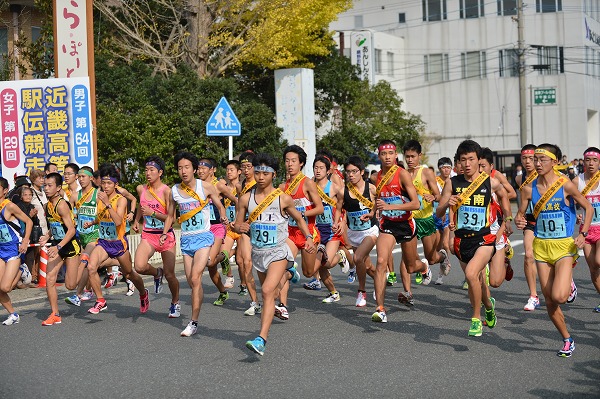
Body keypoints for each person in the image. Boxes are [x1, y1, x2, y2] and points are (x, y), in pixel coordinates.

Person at [516, 144, 592, 357]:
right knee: (549, 299)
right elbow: (521, 215)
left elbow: (588, 207)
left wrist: (583, 233)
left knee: (559, 296)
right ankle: (567, 339)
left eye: (543, 160)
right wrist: (519, 221)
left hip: (563, 246)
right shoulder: (528, 189)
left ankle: (568, 285)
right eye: (535, 159)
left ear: (555, 162)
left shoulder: (565, 185)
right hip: (541, 247)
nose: (538, 164)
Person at [235, 153, 315, 356]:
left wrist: (309, 238)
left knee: (268, 292)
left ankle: (261, 338)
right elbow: (237, 224)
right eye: (258, 172)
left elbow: (299, 218)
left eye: (265, 173)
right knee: (271, 291)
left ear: (274, 175)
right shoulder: (246, 199)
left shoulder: (283, 198)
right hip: (259, 253)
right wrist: (241, 226)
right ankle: (289, 273)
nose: (261, 177)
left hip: (278, 251)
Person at [437, 140, 511, 336]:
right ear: (459, 163)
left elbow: (505, 196)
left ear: (479, 160)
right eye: (463, 160)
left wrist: (508, 218)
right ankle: (488, 307)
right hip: (462, 241)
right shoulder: (452, 183)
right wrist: (447, 204)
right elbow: (438, 212)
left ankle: (476, 319)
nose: (467, 164)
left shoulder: (490, 182)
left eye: (471, 159)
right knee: (478, 281)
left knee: (471, 274)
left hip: (485, 239)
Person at [161, 152, 228, 336]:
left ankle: (193, 322)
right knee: (191, 281)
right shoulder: (174, 191)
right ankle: (194, 318)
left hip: (204, 237)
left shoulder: (205, 186)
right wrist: (165, 233)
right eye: (180, 168)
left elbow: (220, 205)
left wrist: (222, 214)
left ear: (194, 169)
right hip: (187, 240)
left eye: (187, 167)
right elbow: (170, 216)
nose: (183, 171)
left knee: (196, 278)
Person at [84, 164, 149, 316]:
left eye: (109, 183)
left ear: (116, 184)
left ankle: (143, 293)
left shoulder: (121, 200)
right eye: (103, 183)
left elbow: (118, 221)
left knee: (129, 274)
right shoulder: (101, 198)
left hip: (118, 243)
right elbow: (101, 217)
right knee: (91, 267)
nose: (105, 186)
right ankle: (100, 300)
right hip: (104, 242)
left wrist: (107, 203)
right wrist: (92, 222)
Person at [372, 140, 423, 323]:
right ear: (379, 156)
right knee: (380, 262)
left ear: (395, 156)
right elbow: (378, 200)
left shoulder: (402, 175)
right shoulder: (377, 177)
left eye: (390, 153)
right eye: (383, 154)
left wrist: (390, 205)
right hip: (388, 225)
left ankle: (424, 268)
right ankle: (380, 308)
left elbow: (416, 204)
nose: (387, 157)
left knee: (411, 266)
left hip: (406, 224)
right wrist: (372, 212)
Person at [276, 145, 324, 319]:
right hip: (289, 233)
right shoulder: (283, 187)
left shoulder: (308, 183)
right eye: (287, 160)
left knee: (309, 273)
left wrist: (301, 213)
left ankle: (321, 253)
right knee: (281, 267)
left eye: (293, 161)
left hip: (308, 233)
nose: (290, 164)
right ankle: (282, 306)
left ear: (301, 163)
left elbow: (319, 208)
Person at [133, 156, 180, 317]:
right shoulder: (142, 189)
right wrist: (136, 220)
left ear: (160, 172)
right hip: (149, 235)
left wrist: (153, 213)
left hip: (165, 236)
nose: (148, 173)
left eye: (152, 170)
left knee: (170, 274)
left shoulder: (167, 191)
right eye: (146, 170)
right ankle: (156, 273)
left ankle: (175, 303)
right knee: (139, 266)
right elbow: (141, 205)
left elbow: (171, 218)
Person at [401, 139, 448, 289]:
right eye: (407, 156)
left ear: (419, 155)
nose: (409, 160)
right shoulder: (402, 174)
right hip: (410, 220)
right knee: (407, 258)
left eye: (412, 156)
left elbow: (440, 196)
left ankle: (443, 257)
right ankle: (408, 292)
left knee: (431, 258)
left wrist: (433, 197)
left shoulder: (426, 172)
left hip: (426, 219)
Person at [39, 172, 83, 326]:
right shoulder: (47, 205)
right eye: (45, 185)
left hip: (70, 246)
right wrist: (47, 236)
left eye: (50, 185)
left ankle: (85, 264)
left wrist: (58, 246)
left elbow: (71, 230)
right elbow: (55, 225)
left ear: (58, 188)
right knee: (49, 279)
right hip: (57, 246)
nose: (46, 188)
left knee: (70, 285)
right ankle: (55, 314)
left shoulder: (62, 205)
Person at [336, 155, 378, 307]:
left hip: (370, 231)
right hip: (354, 233)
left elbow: (378, 203)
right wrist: (339, 222)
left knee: (358, 258)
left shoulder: (371, 188)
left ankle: (361, 291)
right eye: (348, 172)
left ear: (361, 172)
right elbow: (339, 208)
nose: (351, 175)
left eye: (354, 171)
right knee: (367, 267)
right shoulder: (343, 191)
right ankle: (380, 280)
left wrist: (372, 213)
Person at [197, 157, 237, 306]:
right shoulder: (196, 186)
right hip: (203, 228)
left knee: (209, 261)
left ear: (212, 170)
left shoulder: (219, 185)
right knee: (212, 267)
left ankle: (224, 256)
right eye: (199, 168)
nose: (200, 170)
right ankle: (222, 292)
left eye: (204, 168)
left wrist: (232, 218)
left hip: (217, 227)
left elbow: (236, 200)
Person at [312, 155, 347, 303]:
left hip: (331, 230)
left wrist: (342, 222)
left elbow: (346, 206)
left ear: (327, 171)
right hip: (316, 230)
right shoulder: (310, 186)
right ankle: (334, 293)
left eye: (321, 168)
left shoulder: (334, 187)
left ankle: (341, 256)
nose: (318, 171)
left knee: (326, 263)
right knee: (318, 265)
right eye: (316, 168)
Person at [232, 151, 262, 316]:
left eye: (248, 167)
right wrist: (237, 223)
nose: (245, 170)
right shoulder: (240, 186)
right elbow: (240, 208)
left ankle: (277, 298)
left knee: (265, 266)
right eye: (242, 167)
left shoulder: (262, 183)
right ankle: (254, 302)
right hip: (246, 228)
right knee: (244, 262)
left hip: (263, 228)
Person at [0, 177, 33, 325]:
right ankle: (13, 314)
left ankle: (22, 269)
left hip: (14, 249)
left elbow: (29, 221)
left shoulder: (10, 206)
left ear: (5, 191)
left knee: (6, 287)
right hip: (1, 250)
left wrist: (25, 241)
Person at [64, 166, 98, 306]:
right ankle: (121, 268)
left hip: (95, 235)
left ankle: (77, 294)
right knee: (90, 264)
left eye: (84, 176)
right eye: (79, 177)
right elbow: (68, 214)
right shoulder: (74, 196)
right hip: (81, 236)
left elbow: (104, 215)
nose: (81, 179)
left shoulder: (98, 194)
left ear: (91, 178)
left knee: (84, 261)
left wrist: (93, 221)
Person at [515, 145, 543, 311]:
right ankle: (533, 295)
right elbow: (521, 205)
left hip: (547, 219)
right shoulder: (520, 179)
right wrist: (519, 217)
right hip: (530, 220)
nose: (527, 162)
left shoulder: (545, 177)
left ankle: (568, 280)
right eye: (524, 158)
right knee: (528, 255)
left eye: (531, 158)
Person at [572, 147, 600, 313]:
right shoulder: (577, 181)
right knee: (593, 269)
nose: (591, 163)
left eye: (594, 160)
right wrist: (576, 215)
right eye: (588, 160)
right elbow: (568, 203)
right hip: (587, 231)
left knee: (598, 261)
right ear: (583, 161)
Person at [215, 159, 242, 289]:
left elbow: (242, 207)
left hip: (240, 226)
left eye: (232, 170)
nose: (228, 172)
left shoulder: (243, 186)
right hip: (227, 228)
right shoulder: (223, 187)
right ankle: (230, 277)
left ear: (239, 172)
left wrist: (237, 220)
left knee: (241, 261)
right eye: (227, 170)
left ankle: (243, 284)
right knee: (222, 254)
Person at [434, 157, 453, 285]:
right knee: (437, 246)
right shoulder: (434, 181)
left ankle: (441, 274)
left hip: (449, 215)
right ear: (439, 169)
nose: (446, 170)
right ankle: (442, 263)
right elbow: (432, 196)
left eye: (448, 167)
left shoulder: (454, 181)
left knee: (446, 244)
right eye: (444, 168)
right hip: (435, 215)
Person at [29, 169, 47, 284]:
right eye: (39, 177)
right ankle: (33, 276)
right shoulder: (30, 192)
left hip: (45, 226)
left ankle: (41, 275)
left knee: (43, 252)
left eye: (42, 177)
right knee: (35, 252)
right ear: (33, 179)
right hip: (36, 227)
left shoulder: (44, 191)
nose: (42, 180)